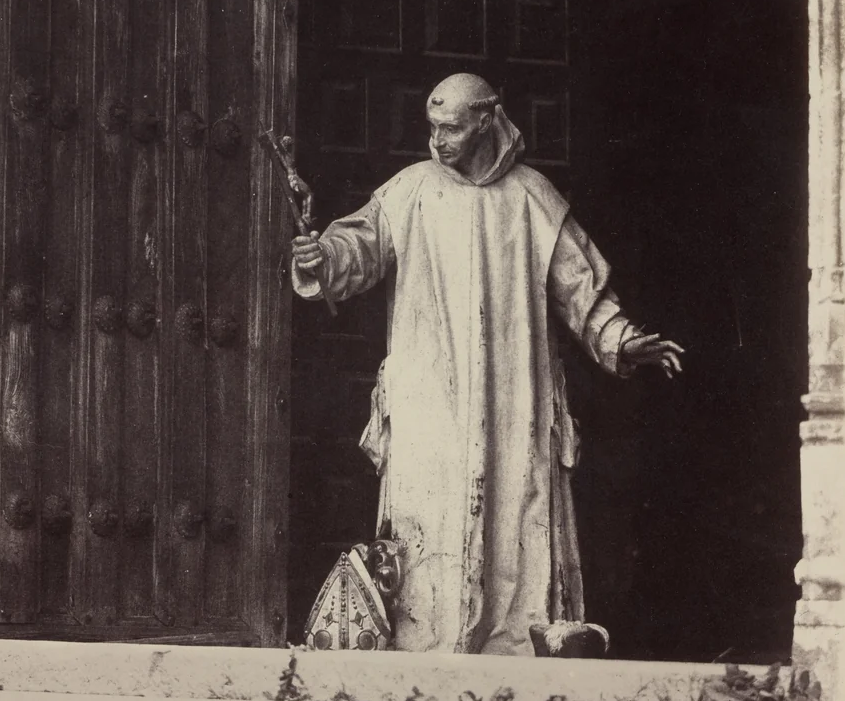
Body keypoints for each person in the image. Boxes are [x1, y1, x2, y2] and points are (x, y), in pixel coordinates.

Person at [292, 73, 683, 655]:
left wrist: (621, 339)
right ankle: (424, 647)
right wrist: (320, 254)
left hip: (513, 392)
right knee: (427, 516)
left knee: (516, 516)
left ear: (486, 119)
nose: (438, 140)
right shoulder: (414, 188)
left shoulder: (532, 196)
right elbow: (362, 245)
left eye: (450, 128)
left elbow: (579, 287)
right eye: (432, 127)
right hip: (430, 394)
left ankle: (519, 645)